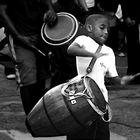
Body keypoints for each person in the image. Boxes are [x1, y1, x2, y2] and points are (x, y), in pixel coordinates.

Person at [66, 13, 136, 140]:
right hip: (81, 99)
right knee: (79, 135)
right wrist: (92, 55)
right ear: (89, 28)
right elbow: (71, 49)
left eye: (108, 29)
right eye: (102, 27)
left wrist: (123, 81)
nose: (106, 32)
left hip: (102, 102)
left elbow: (114, 78)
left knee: (101, 134)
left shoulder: (109, 51)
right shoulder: (83, 40)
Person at [0, 0, 57, 115]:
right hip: (20, 36)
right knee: (28, 77)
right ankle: (30, 118)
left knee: (42, 76)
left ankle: (40, 115)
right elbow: (2, 11)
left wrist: (50, 9)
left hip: (41, 33)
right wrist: (18, 36)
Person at [121, 1, 140, 78]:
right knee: (133, 46)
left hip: (134, 19)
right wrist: (126, 16)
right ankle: (133, 72)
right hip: (132, 21)